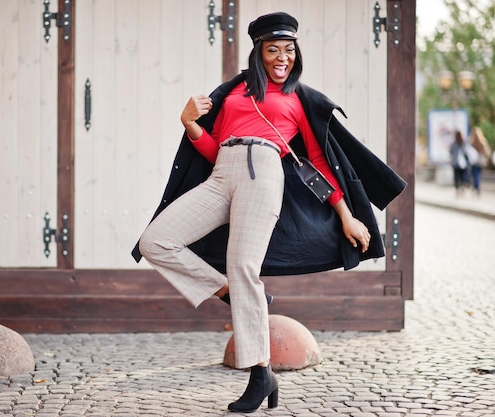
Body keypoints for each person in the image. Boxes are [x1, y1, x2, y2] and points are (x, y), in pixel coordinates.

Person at [132, 12, 405, 413]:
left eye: (289, 50)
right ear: (258, 52)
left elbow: (316, 162)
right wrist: (189, 122)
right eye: (273, 50)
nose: (282, 58)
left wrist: (346, 213)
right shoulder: (234, 93)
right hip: (221, 174)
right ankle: (227, 291)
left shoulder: (298, 99)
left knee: (243, 267)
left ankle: (261, 375)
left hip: (263, 176)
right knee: (155, 240)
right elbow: (213, 149)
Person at [468, 126, 492, 195]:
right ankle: (476, 186)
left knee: (475, 174)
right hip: (480, 161)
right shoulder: (482, 141)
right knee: (477, 174)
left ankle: (476, 187)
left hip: (475, 161)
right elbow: (487, 151)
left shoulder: (472, 141)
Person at [449, 130, 471, 195]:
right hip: (462, 163)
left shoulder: (455, 143)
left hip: (456, 163)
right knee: (461, 176)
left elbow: (451, 152)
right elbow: (466, 151)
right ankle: (461, 187)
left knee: (457, 177)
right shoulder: (464, 143)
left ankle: (458, 188)